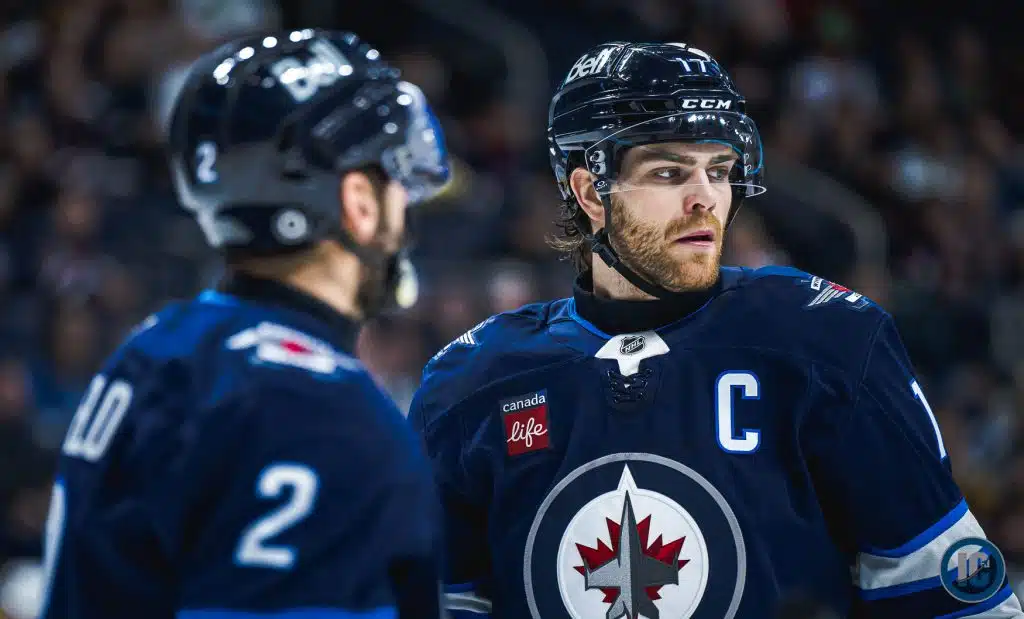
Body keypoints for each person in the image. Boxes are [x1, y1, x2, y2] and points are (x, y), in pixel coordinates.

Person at [410, 41, 1023, 619]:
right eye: (669, 173)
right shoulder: (473, 383)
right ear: (591, 191)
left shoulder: (828, 338)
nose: (706, 198)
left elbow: (957, 597)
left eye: (720, 169)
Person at [39, 29, 450, 619]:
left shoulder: (154, 348)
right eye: (395, 184)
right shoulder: (321, 413)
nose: (405, 207)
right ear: (359, 202)